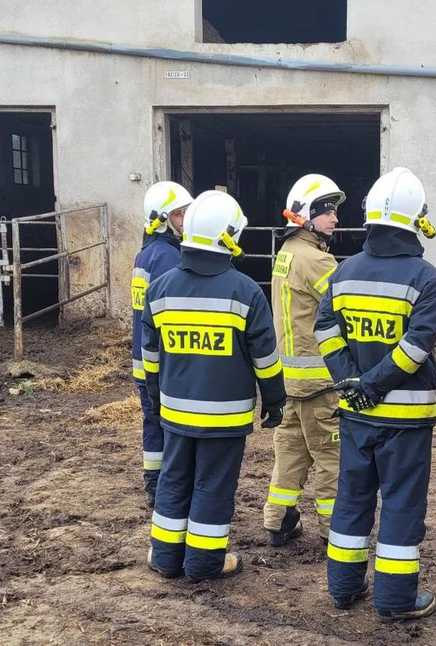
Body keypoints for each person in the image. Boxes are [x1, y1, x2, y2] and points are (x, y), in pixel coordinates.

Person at [315, 167, 436, 622]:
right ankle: (394, 600)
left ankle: (343, 588)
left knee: (352, 498)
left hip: (355, 414)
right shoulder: (425, 278)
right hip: (405, 420)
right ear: (416, 219)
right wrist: (370, 385)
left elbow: (325, 332)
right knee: (402, 504)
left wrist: (353, 382)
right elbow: (415, 348)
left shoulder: (344, 270)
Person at [141, 190, 287, 581]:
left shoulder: (160, 290)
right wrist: (275, 403)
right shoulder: (245, 292)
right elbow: (266, 360)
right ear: (226, 237)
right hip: (224, 417)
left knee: (173, 480)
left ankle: (167, 559)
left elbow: (150, 358)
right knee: (213, 486)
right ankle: (205, 563)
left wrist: (156, 401)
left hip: (173, 412)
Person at [264, 174, 344, 547]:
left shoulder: (286, 254)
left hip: (289, 380)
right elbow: (346, 310)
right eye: (326, 211)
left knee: (291, 453)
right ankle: (336, 531)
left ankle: (278, 521)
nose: (334, 219)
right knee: (331, 457)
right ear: (305, 216)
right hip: (319, 381)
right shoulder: (317, 261)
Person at [131, 181, 193, 509]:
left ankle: (153, 484)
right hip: (162, 363)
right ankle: (164, 488)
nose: (186, 220)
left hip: (142, 360)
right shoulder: (170, 257)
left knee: (151, 425)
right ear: (163, 218)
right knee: (166, 427)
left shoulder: (146, 254)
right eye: (180, 214)